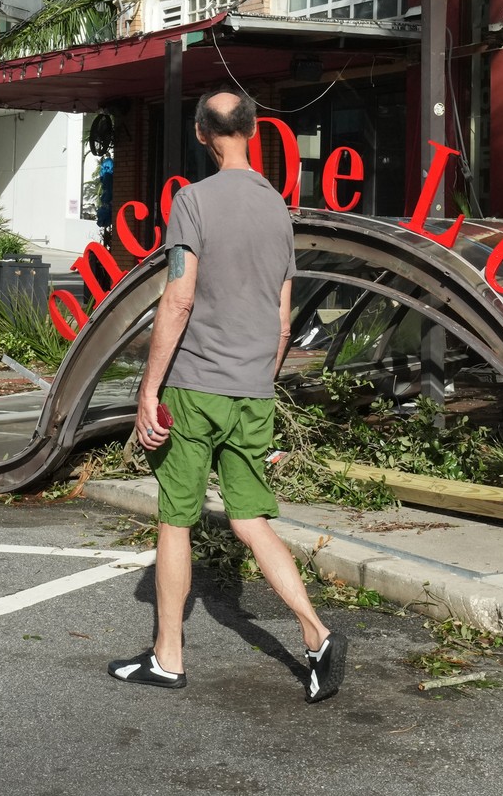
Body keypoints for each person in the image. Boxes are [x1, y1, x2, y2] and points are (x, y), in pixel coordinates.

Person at [107, 88, 348, 703]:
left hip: (195, 387)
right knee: (251, 519)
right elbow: (284, 317)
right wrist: (260, 382)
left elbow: (179, 297)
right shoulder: (277, 207)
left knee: (176, 519)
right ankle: (316, 635)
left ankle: (168, 657)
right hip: (252, 390)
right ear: (254, 128)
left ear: (200, 134)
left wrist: (149, 388)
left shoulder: (193, 200)